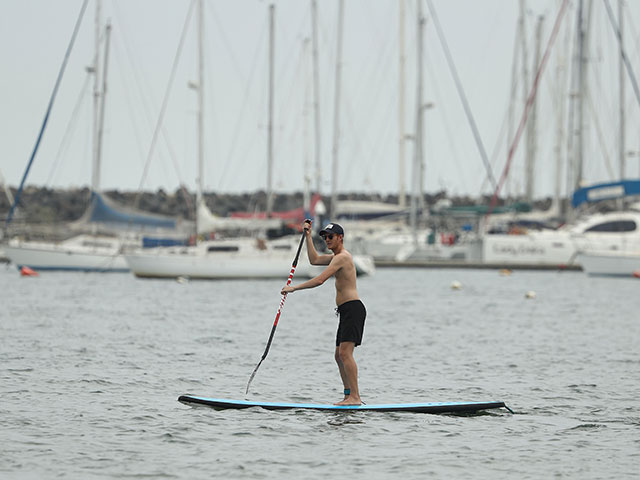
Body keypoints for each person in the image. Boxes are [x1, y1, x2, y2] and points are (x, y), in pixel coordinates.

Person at [281, 220, 366, 406]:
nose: (327, 240)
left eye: (330, 237)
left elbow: (320, 280)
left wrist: (294, 288)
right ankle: (347, 395)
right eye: (325, 237)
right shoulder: (336, 257)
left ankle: (355, 397)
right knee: (339, 355)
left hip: (353, 309)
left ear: (340, 238)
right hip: (345, 310)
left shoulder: (342, 257)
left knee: (345, 354)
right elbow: (314, 260)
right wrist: (308, 236)